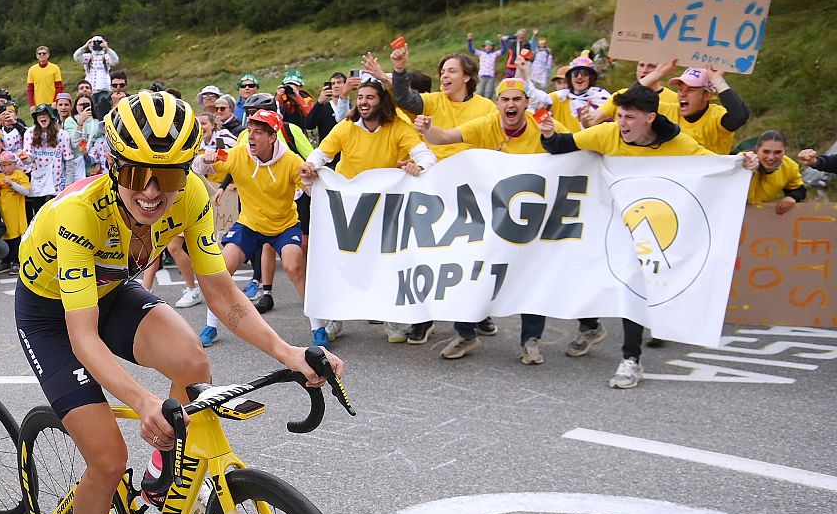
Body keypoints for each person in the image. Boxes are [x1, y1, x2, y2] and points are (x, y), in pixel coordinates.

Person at [15, 91, 342, 514]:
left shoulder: (190, 197)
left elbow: (225, 297)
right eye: (137, 173)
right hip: (52, 315)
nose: (150, 192)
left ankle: (159, 470)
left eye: (165, 177)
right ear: (112, 165)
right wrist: (143, 401)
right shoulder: (76, 216)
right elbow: (84, 339)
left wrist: (289, 353)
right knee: (107, 457)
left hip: (110, 289)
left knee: (193, 362)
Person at [539, 85, 755, 389]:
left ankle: (631, 359)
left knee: (634, 285)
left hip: (655, 227)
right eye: (620, 116)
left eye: (630, 117)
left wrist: (742, 161)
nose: (623, 123)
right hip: (611, 221)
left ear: (650, 117)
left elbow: (714, 165)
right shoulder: (607, 133)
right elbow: (561, 145)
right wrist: (548, 134)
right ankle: (590, 327)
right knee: (580, 268)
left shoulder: (677, 142)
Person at [415, 78, 586, 364]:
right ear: (498, 104)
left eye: (516, 99)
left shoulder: (540, 122)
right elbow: (443, 137)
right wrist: (428, 130)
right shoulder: (488, 124)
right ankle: (466, 334)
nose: (511, 105)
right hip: (489, 216)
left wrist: (554, 138)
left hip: (533, 218)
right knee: (468, 269)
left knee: (532, 276)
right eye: (505, 100)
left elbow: (578, 148)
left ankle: (530, 341)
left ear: (526, 103)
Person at [304, 76, 436, 344]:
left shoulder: (398, 127)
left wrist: (418, 167)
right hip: (347, 207)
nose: (363, 102)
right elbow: (320, 155)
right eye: (360, 97)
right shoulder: (346, 127)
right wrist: (310, 166)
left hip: (385, 207)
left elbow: (427, 157)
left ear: (382, 101)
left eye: (370, 97)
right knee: (339, 260)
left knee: (387, 260)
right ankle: (334, 318)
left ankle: (391, 317)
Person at [193, 109, 328, 349]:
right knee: (221, 268)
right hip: (250, 223)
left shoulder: (291, 161)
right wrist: (206, 160)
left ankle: (319, 328)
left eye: (258, 132)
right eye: (249, 130)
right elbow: (199, 168)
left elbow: (311, 188)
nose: (251, 136)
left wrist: (310, 177)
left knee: (294, 265)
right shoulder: (236, 154)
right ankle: (211, 326)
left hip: (284, 224)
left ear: (272, 137)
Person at [746, 130, 806, 214]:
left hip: (760, 213)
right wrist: (745, 163)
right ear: (757, 149)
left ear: (785, 150)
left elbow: (799, 189)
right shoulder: (744, 160)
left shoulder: (789, 166)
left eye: (777, 152)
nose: (771, 157)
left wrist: (792, 197)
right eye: (766, 152)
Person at [27, 46, 64, 110]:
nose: (42, 55)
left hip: (52, 104)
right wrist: (32, 104)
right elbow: (30, 89)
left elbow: (59, 87)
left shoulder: (55, 68)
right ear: (37, 56)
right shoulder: (32, 70)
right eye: (39, 53)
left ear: (48, 55)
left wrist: (55, 101)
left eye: (44, 53)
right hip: (38, 104)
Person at [467, 34, 502, 100]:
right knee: (479, 92)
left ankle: (487, 107)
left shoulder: (495, 54)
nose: (488, 47)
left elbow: (504, 50)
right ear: (484, 47)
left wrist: (502, 40)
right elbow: (471, 49)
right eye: (487, 46)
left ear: (492, 47)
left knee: (488, 93)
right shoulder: (481, 53)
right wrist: (469, 40)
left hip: (491, 76)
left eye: (490, 46)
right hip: (482, 75)